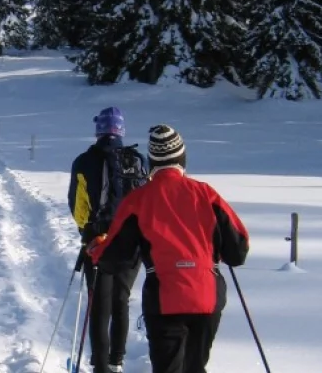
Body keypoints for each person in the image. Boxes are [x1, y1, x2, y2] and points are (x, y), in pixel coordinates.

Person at [87, 124, 249, 373]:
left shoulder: (139, 200)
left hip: (165, 297)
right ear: (182, 158)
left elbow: (113, 259)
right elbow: (238, 252)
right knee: (195, 367)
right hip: (207, 295)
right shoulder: (206, 194)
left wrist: (96, 248)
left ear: (152, 161)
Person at [67, 107, 148, 373]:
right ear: (121, 131)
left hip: (98, 240)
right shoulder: (137, 160)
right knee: (121, 301)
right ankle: (116, 361)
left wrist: (86, 232)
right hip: (132, 242)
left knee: (99, 303)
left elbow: (78, 204)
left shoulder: (83, 161)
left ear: (98, 130)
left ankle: (100, 366)